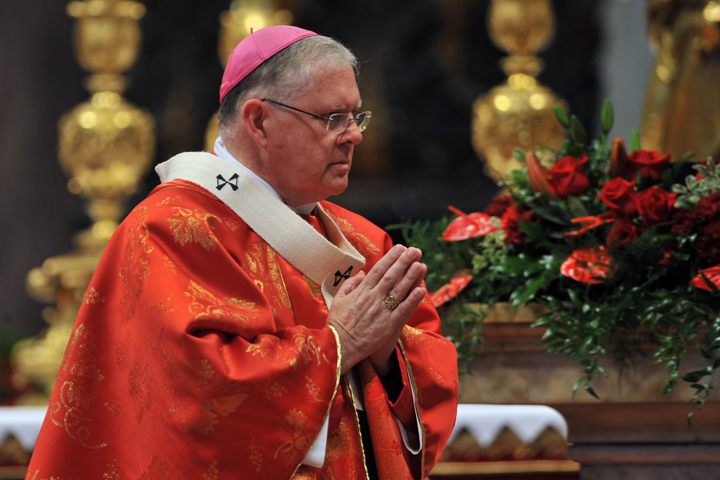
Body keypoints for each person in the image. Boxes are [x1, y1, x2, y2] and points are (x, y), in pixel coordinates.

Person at [27, 25, 459, 480]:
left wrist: (390, 358)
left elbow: (430, 381)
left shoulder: (362, 242)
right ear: (258, 121)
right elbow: (200, 401)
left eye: (356, 116)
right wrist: (341, 344)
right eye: (332, 117)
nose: (353, 136)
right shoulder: (171, 230)